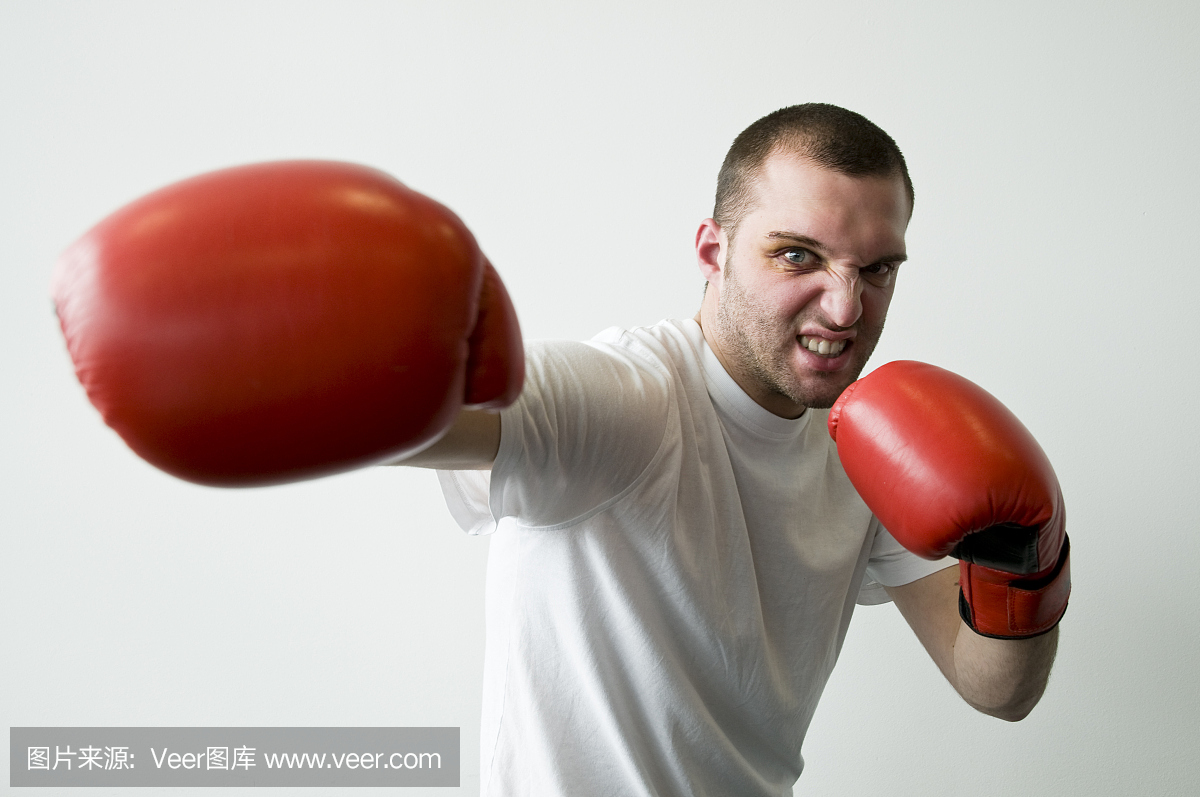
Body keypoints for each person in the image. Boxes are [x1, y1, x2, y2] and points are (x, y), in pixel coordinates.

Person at [397, 104, 1063, 795]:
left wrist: (1024, 560)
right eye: (798, 255)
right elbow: (419, 416)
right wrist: (326, 345)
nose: (845, 308)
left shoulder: (870, 446)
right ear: (713, 252)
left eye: (876, 269)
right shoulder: (628, 398)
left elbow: (996, 688)